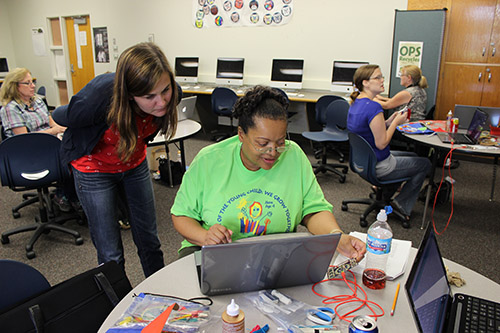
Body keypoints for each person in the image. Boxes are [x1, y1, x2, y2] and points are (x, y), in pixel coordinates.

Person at [171, 85, 366, 261]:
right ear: (241, 134)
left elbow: (313, 210)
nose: (273, 152)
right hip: (215, 252)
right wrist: (204, 236)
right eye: (262, 144)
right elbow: (181, 215)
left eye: (280, 142)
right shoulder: (209, 160)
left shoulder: (294, 155)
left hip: (274, 254)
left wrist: (335, 236)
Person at [56, 42, 178, 277]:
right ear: (130, 95)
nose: (161, 102)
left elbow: (155, 114)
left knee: (149, 240)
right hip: (94, 170)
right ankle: (118, 307)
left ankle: (159, 295)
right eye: (149, 96)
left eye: (165, 91)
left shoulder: (171, 94)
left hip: (133, 164)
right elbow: (63, 115)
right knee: (110, 252)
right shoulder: (100, 98)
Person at [347, 64, 431, 223]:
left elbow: (371, 129)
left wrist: (391, 120)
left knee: (412, 156)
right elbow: (382, 143)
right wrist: (396, 123)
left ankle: (387, 195)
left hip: (364, 162)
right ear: (365, 82)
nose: (382, 80)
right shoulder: (374, 108)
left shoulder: (357, 102)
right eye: (377, 77)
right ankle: (401, 204)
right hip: (379, 165)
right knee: (424, 164)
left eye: (381, 76)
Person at [0, 67, 75, 212]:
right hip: (27, 155)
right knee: (69, 158)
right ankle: (63, 194)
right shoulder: (10, 109)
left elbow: (52, 122)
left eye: (32, 82)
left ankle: (70, 194)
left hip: (48, 145)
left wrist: (65, 130)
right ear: (15, 86)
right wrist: (53, 131)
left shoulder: (38, 102)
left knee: (76, 151)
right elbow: (24, 139)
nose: (33, 85)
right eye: (27, 83)